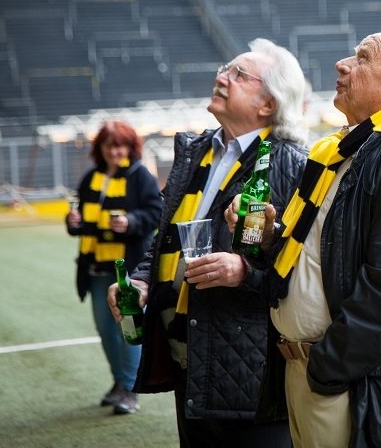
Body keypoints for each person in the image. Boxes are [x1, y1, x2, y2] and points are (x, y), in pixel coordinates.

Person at [226, 31, 381, 447]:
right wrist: (267, 239)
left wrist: (326, 368)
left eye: (362, 57)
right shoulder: (340, 151)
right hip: (305, 368)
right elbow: (315, 257)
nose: (343, 64)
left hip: (345, 379)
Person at [107, 38, 308, 446]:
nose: (221, 77)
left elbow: (301, 265)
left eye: (238, 74)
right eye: (225, 68)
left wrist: (244, 271)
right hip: (191, 354)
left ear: (268, 105)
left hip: (248, 364)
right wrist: (142, 281)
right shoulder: (197, 150)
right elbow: (163, 238)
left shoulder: (290, 162)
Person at [66, 120, 162, 415]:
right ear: (101, 148)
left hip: (127, 270)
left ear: (130, 148)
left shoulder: (140, 176)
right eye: (110, 145)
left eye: (121, 145)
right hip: (95, 269)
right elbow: (80, 217)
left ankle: (131, 389)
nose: (115, 151)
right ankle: (120, 382)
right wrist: (72, 222)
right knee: (106, 331)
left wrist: (131, 222)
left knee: (129, 330)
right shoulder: (90, 177)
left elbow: (157, 213)